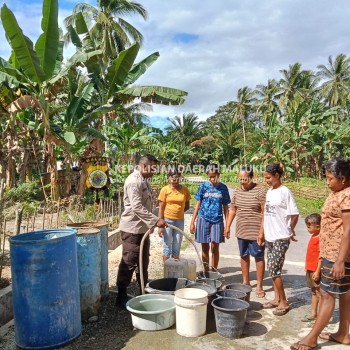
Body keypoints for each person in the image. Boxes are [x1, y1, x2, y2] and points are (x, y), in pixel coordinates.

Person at [291, 159, 350, 350]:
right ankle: (342, 333)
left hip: (336, 256)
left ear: (342, 179)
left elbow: (348, 230)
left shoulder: (347, 197)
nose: (327, 182)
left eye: (330, 178)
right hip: (330, 254)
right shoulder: (339, 193)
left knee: (326, 294)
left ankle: (312, 338)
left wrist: (340, 260)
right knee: (344, 294)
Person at [116, 154, 167, 309]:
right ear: (144, 166)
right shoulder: (134, 181)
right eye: (153, 168)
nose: (154, 171)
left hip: (141, 229)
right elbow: (136, 207)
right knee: (129, 262)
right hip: (132, 229)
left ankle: (143, 291)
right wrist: (155, 221)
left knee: (142, 262)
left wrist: (149, 225)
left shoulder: (144, 180)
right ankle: (121, 296)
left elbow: (146, 205)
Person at [262, 163, 299, 316]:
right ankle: (277, 299)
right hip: (270, 237)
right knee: (272, 270)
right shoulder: (270, 192)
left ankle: (284, 302)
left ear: (277, 175)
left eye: (269, 177)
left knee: (275, 270)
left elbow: (294, 213)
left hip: (280, 237)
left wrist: (290, 229)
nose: (267, 180)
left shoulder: (285, 192)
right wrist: (262, 233)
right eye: (265, 178)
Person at [224, 166, 266, 298]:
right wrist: (228, 225)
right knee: (243, 255)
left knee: (258, 257)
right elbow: (233, 209)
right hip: (242, 229)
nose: (242, 181)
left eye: (245, 179)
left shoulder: (260, 190)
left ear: (251, 177)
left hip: (256, 230)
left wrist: (262, 231)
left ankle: (259, 285)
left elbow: (265, 211)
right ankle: (245, 282)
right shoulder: (237, 190)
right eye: (240, 179)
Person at [190, 164, 231, 271]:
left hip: (217, 221)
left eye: (214, 176)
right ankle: (206, 271)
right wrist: (192, 222)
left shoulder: (223, 188)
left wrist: (227, 226)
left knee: (215, 247)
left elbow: (226, 208)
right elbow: (198, 204)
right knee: (204, 247)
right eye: (210, 176)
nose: (212, 179)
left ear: (218, 174)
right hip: (203, 219)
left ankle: (214, 271)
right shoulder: (203, 186)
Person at [158, 167, 191, 261]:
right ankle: (166, 270)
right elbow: (161, 207)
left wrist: (179, 212)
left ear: (180, 177)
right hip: (167, 221)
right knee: (167, 246)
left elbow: (187, 205)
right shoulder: (165, 190)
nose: (175, 180)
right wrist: (160, 225)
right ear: (169, 178)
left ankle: (175, 269)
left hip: (179, 221)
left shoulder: (184, 190)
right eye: (173, 178)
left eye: (177, 178)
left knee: (177, 245)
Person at [301, 213, 321, 323]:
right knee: (314, 292)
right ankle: (314, 313)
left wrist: (317, 271)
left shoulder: (320, 238)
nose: (307, 228)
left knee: (319, 293)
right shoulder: (313, 236)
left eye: (309, 226)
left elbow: (320, 257)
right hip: (310, 268)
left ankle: (322, 317)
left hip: (315, 270)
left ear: (318, 226)